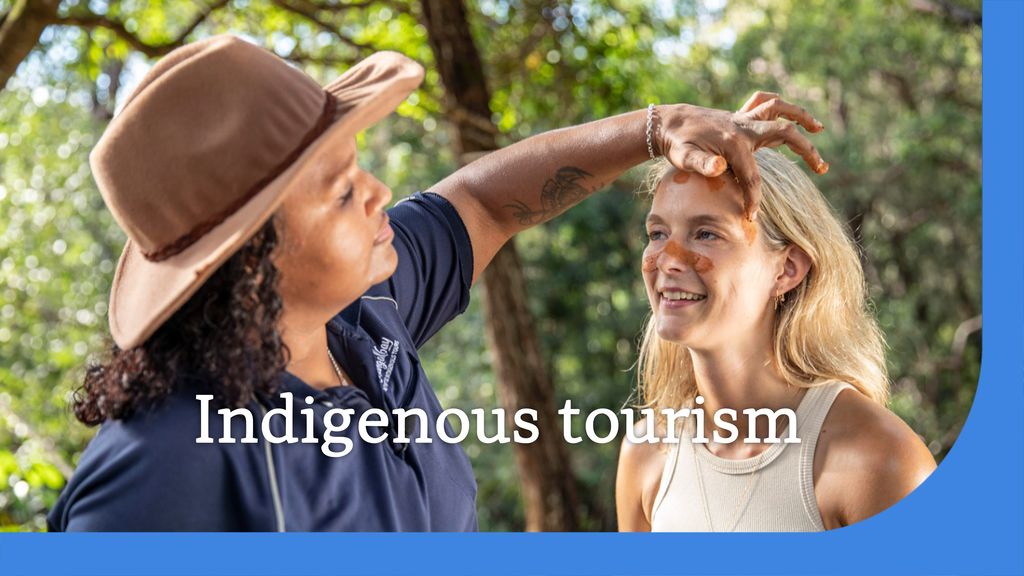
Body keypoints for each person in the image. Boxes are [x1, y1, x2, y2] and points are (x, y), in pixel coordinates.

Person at [48, 34, 826, 531]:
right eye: (342, 190)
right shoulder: (171, 461)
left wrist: (657, 128)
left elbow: (485, 201)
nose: (380, 192)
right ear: (249, 258)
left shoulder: (365, 317)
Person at [615, 148, 937, 532]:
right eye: (657, 233)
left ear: (786, 269)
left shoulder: (879, 458)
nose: (667, 259)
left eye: (706, 233)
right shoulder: (647, 452)